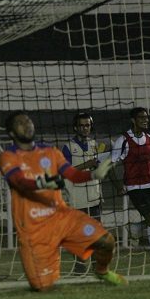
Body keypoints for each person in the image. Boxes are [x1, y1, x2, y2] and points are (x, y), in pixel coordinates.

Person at [0, 110, 127, 291]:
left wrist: (92, 174)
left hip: (61, 218)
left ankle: (102, 271)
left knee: (107, 241)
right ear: (12, 133)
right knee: (42, 287)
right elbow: (18, 181)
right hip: (34, 227)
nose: (27, 125)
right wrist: (43, 182)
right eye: (21, 123)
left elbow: (72, 174)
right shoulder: (8, 156)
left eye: (28, 121)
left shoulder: (50, 151)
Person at [110, 107, 150, 265]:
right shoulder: (123, 140)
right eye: (141, 118)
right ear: (133, 120)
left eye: (146, 117)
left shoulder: (149, 138)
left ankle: (137, 227)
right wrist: (119, 186)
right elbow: (111, 166)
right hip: (135, 188)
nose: (146, 120)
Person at [61, 112, 108, 274]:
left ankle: (96, 266)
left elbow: (97, 169)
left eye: (87, 125)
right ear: (75, 127)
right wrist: (87, 164)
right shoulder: (67, 147)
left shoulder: (95, 145)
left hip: (94, 197)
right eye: (81, 125)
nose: (85, 128)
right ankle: (80, 266)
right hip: (76, 199)